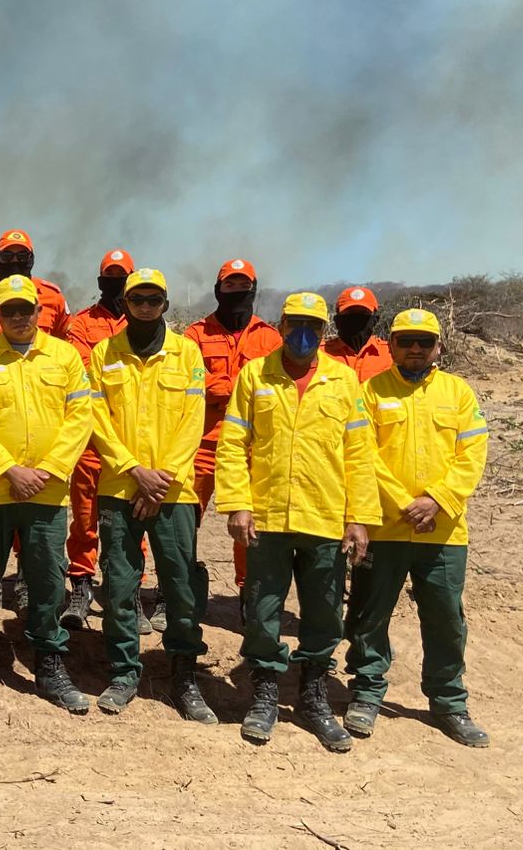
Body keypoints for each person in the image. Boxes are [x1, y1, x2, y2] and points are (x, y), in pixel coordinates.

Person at [216, 291, 381, 751]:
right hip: (266, 517)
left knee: (324, 613)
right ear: (282, 326)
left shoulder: (344, 381)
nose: (303, 333)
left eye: (313, 325)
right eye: (295, 324)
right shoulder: (255, 375)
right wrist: (237, 504)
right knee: (264, 612)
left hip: (325, 518)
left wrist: (360, 518)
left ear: (324, 331)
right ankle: (264, 695)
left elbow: (359, 454)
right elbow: (232, 445)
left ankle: (314, 697)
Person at [0, 275, 95, 714]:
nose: (17, 317)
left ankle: (50, 663)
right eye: (8, 310)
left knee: (49, 581)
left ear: (38, 311)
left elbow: (80, 417)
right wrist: (9, 469)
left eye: (24, 309)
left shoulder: (66, 359)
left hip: (47, 494)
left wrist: (46, 470)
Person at [345, 309, 491, 747]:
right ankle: (366, 693)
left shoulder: (458, 393)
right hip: (386, 528)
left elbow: (473, 453)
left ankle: (449, 703)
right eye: (406, 340)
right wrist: (404, 503)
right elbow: (363, 454)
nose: (414, 349)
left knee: (446, 619)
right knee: (370, 616)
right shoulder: (370, 393)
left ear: (438, 348)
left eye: (423, 342)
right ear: (390, 345)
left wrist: (438, 500)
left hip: (443, 533)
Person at [86, 269, 215, 720]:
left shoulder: (187, 353)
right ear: (125, 302)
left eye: (153, 299)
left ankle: (184, 675)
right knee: (120, 586)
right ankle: (124, 673)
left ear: (165, 302)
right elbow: (96, 418)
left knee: (180, 585)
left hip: (173, 491)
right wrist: (134, 471)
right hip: (121, 487)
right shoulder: (104, 352)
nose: (145, 305)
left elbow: (193, 419)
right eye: (137, 298)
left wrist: (162, 478)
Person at [185, 258, 282, 609]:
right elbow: (188, 380)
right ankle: (178, 589)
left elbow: (276, 391)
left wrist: (223, 389)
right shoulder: (196, 334)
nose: (237, 292)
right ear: (217, 290)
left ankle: (248, 592)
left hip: (251, 449)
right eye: (230, 286)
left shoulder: (270, 338)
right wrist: (235, 387)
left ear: (254, 290)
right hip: (203, 444)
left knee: (248, 526)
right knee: (183, 522)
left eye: (244, 286)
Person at [62, 249, 135, 632]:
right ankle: (81, 584)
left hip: (133, 441)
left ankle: (127, 593)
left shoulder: (147, 324)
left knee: (131, 522)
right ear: (101, 281)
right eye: (111, 276)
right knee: (86, 518)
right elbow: (83, 376)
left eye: (124, 277)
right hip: (91, 440)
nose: (118, 284)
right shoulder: (81, 324)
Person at [0, 229, 70, 344]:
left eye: (22, 256)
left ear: (31, 259)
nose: (15, 261)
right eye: (7, 256)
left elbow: (66, 344)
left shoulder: (53, 297)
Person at [325, 286, 393, 383]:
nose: (356, 320)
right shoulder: (320, 353)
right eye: (350, 313)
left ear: (375, 320)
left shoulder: (391, 353)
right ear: (337, 319)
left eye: (363, 313)